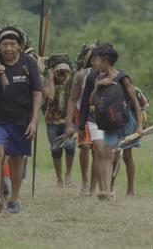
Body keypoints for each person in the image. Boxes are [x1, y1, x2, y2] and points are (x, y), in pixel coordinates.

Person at [0, 26, 42, 213]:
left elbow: (37, 93)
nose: (8, 48)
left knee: (17, 159)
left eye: (12, 44)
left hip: (22, 120)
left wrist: (34, 120)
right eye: (5, 44)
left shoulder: (29, 63)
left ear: (20, 46)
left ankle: (14, 197)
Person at [87, 43, 143, 199]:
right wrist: (97, 86)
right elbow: (91, 101)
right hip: (109, 124)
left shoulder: (123, 78)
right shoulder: (99, 77)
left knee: (127, 156)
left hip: (126, 123)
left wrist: (139, 125)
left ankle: (130, 189)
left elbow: (135, 102)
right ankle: (107, 190)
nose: (94, 64)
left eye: (96, 60)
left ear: (105, 61)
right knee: (107, 153)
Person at [66, 44, 98, 196]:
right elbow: (72, 100)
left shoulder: (111, 75)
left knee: (97, 151)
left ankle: (93, 186)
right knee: (85, 147)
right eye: (94, 59)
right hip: (82, 115)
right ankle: (85, 181)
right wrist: (69, 123)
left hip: (101, 116)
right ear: (90, 61)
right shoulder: (81, 76)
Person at [43, 61, 75, 187]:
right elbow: (50, 97)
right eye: (59, 71)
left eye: (65, 71)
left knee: (70, 146)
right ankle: (59, 178)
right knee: (56, 149)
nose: (62, 74)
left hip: (68, 121)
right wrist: (51, 78)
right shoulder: (47, 82)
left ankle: (68, 174)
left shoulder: (72, 83)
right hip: (52, 121)